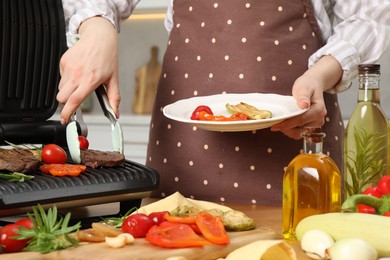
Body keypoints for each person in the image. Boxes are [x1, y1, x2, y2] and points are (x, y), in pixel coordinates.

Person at [60, 1, 390, 205]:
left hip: (298, 140)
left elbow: (368, 17)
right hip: (185, 149)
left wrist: (321, 75)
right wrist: (97, 27)